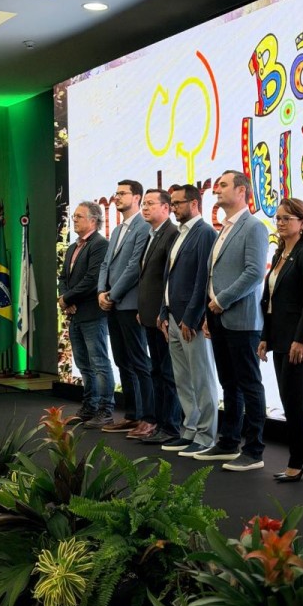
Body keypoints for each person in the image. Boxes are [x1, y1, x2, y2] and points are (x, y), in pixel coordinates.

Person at [194, 170, 268, 471]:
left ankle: (254, 450)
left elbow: (254, 272)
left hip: (242, 320)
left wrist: (222, 300)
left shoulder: (254, 227)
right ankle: (228, 442)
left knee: (249, 384)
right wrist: (208, 312)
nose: (216, 190)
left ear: (241, 191)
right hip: (218, 318)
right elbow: (214, 274)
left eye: (223, 185)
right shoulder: (223, 228)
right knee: (229, 383)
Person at [258, 198, 303, 482]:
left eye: (286, 218)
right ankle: (300, 458)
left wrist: (300, 338)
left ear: (302, 223)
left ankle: (300, 460)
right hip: (278, 336)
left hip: (297, 339)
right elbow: (270, 301)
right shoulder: (281, 252)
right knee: (288, 398)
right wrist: (265, 337)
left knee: (293, 398)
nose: (280, 223)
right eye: (278, 218)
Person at [159, 184, 218, 456]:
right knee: (183, 379)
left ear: (194, 203)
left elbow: (202, 279)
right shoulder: (180, 233)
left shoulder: (205, 232)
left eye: (178, 203)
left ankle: (206, 435)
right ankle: (189, 430)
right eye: (172, 203)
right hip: (172, 317)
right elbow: (169, 277)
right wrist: (163, 311)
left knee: (202, 379)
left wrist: (192, 317)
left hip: (189, 321)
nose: (173, 208)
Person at [97, 180, 156, 436]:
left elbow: (134, 267)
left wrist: (112, 294)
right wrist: (101, 291)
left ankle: (148, 416)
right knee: (122, 360)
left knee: (139, 361)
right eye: (116, 193)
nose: (117, 197)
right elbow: (105, 264)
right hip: (112, 304)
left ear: (137, 197)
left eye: (122, 193)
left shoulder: (144, 227)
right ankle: (132, 415)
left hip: (130, 304)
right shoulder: (118, 229)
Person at [58, 201, 115, 427]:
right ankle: (89, 407)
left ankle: (105, 410)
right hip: (75, 314)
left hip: (92, 314)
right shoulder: (73, 247)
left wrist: (67, 299)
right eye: (73, 216)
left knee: (99, 363)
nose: (74, 220)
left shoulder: (100, 244)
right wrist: (65, 299)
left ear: (93, 220)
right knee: (83, 364)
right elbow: (63, 278)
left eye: (79, 216)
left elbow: (93, 280)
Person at [135, 188, 183, 443]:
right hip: (149, 315)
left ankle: (171, 426)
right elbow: (147, 277)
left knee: (167, 373)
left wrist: (162, 312)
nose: (145, 207)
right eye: (144, 203)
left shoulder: (171, 234)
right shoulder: (152, 234)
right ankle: (159, 423)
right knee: (156, 371)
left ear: (166, 208)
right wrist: (142, 309)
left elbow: (168, 280)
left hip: (162, 317)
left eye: (151, 203)